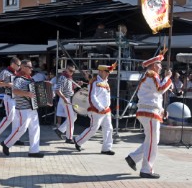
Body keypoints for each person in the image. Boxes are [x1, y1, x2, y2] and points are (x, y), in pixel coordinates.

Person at [125, 50, 172, 179]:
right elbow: (160, 89)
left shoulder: (150, 76)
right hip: (149, 112)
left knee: (152, 140)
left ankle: (133, 158)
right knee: (152, 141)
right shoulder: (152, 74)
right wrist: (168, 78)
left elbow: (155, 97)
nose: (161, 67)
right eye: (159, 64)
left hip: (149, 111)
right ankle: (146, 169)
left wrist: (162, 111)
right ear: (153, 65)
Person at [1, 60, 44, 158]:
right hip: (22, 109)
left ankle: (34, 151)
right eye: (29, 67)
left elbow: (36, 93)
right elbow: (15, 91)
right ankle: (6, 143)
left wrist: (45, 100)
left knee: (35, 129)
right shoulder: (18, 79)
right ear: (23, 67)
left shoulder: (30, 79)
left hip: (33, 108)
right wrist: (26, 94)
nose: (31, 69)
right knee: (22, 129)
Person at [73, 62, 117, 155]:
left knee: (109, 128)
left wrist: (106, 107)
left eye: (109, 72)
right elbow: (92, 97)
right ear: (101, 71)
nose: (108, 74)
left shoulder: (106, 82)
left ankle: (106, 148)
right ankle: (78, 140)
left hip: (106, 110)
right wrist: (100, 108)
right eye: (106, 72)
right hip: (96, 110)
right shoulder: (94, 82)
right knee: (94, 129)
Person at [0, 57, 24, 145]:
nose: (19, 67)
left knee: (17, 119)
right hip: (8, 97)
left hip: (17, 98)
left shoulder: (18, 73)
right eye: (18, 65)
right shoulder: (5, 72)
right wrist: (6, 84)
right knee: (10, 117)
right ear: (13, 64)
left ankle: (15, 139)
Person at [54, 65, 82, 143]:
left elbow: (69, 89)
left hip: (68, 98)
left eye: (73, 71)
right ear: (66, 69)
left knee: (73, 117)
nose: (71, 72)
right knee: (71, 118)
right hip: (67, 99)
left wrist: (77, 85)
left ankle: (60, 131)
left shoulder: (68, 77)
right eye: (70, 70)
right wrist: (64, 99)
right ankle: (69, 138)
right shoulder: (64, 77)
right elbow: (57, 90)